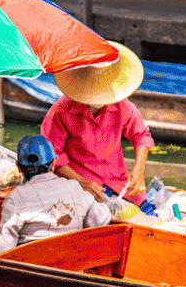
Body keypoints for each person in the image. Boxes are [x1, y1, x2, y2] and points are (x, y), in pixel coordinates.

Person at [41, 41, 154, 206]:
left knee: (147, 215)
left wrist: (139, 169)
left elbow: (141, 135)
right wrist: (81, 182)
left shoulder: (121, 104)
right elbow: (52, 156)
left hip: (117, 180)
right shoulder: (61, 110)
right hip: (78, 182)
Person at [0, 135, 112, 255]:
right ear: (53, 163)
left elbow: (2, 250)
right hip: (72, 265)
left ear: (18, 167)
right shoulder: (75, 187)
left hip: (31, 271)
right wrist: (102, 202)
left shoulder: (16, 197)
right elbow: (101, 220)